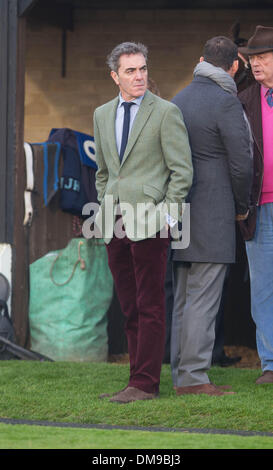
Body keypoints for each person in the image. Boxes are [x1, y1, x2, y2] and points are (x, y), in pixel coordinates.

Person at [93, 42, 193, 403]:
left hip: (151, 222)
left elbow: (182, 171)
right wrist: (106, 207)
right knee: (129, 305)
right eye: (131, 70)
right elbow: (104, 172)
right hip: (114, 222)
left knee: (151, 304)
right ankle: (135, 379)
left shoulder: (166, 112)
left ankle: (146, 384)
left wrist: (167, 217)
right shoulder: (102, 114)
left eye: (143, 68)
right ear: (115, 76)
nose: (139, 76)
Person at [170, 36, 253, 396]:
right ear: (235, 66)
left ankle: (180, 373)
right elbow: (241, 162)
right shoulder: (226, 102)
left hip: (181, 209)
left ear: (199, 59)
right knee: (203, 298)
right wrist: (242, 205)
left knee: (184, 298)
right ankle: (193, 378)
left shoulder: (177, 100)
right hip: (215, 209)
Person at [238, 25, 273, 385]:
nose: (255, 63)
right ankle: (271, 365)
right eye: (252, 58)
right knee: (263, 288)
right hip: (259, 208)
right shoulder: (245, 99)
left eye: (263, 57)